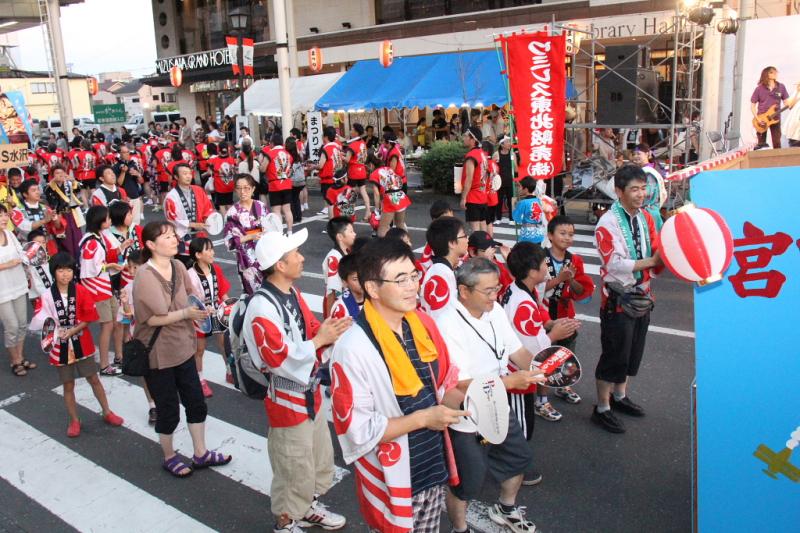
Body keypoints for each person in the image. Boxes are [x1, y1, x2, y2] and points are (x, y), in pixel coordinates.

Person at [329, 237, 465, 532]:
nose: (412, 286)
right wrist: (423, 418)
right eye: (400, 279)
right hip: (393, 481)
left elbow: (442, 386)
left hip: (431, 466)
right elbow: (357, 429)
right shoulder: (352, 348)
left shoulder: (422, 324)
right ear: (372, 288)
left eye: (414, 275)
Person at [244, 228, 350, 532]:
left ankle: (306, 508)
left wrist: (331, 331)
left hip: (310, 395)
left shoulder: (291, 292)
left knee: (316, 459)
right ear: (280, 264)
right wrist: (319, 341)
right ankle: (285, 520)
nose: (302, 258)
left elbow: (311, 326)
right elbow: (277, 358)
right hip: (287, 400)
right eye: (295, 255)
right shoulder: (262, 307)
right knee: (292, 466)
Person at [436, 257, 544, 533]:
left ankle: (506, 507)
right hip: (465, 412)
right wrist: (510, 381)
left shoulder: (494, 310)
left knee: (518, 458)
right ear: (463, 291)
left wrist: (542, 369)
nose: (495, 296)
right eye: (488, 291)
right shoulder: (446, 323)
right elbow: (461, 385)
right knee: (467, 482)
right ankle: (459, 528)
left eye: (497, 288)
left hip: (497, 402)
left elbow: (517, 352)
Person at [133, 220, 232, 477]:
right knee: (168, 410)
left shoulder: (178, 265)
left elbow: (191, 297)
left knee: (196, 402)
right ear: (151, 245)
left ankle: (201, 453)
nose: (174, 239)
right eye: (166, 236)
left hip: (184, 347)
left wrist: (202, 310)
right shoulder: (145, 275)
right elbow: (154, 318)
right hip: (158, 353)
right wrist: (188, 313)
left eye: (173, 235)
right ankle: (169, 455)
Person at [593, 165, 663, 434]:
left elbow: (655, 246)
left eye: (644, 188)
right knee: (614, 355)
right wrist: (653, 261)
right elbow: (615, 263)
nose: (641, 194)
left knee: (632, 352)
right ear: (619, 191)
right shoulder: (607, 223)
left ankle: (619, 397)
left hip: (642, 294)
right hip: (618, 298)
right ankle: (601, 408)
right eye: (634, 189)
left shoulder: (645, 217)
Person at [30, 252, 124, 437]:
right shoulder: (47, 296)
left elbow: (90, 316)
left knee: (94, 379)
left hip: (80, 341)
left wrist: (72, 330)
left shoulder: (80, 290)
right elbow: (42, 320)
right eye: (60, 270)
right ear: (54, 272)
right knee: (68, 385)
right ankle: (74, 419)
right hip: (60, 345)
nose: (65, 274)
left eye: (69, 270)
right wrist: (54, 331)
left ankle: (107, 411)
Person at [543, 215, 595, 400]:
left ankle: (563, 385)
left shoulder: (575, 261)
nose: (567, 238)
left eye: (571, 234)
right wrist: (560, 279)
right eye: (562, 233)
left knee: (566, 352)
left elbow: (581, 291)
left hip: (565, 312)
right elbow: (535, 288)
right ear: (550, 235)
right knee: (545, 353)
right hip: (544, 313)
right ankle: (542, 397)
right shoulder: (541, 257)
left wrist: (571, 279)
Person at [79, 206, 124, 376]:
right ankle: (104, 365)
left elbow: (102, 258)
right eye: (108, 218)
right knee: (107, 325)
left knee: (112, 322)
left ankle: (113, 359)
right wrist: (110, 265)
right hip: (97, 288)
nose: (110, 220)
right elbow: (91, 268)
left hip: (104, 286)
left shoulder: (98, 237)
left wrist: (120, 248)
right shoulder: (92, 241)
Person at [187, 236, 231, 398]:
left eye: (212, 248)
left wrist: (230, 306)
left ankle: (229, 371)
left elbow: (223, 292)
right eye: (209, 249)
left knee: (223, 344)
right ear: (198, 255)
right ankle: (200, 379)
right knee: (199, 349)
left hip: (217, 311)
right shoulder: (190, 275)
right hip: (200, 315)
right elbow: (189, 300)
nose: (213, 252)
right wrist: (201, 310)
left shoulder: (216, 269)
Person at [0, 205, 36, 377]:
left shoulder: (9, 234)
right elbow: (13, 260)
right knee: (11, 326)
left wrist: (26, 256)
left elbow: (21, 253)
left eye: (4, 215)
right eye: (0, 216)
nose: (4, 218)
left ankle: (20, 357)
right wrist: (9, 264)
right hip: (2, 290)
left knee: (22, 323)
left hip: (18, 283)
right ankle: (14, 360)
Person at [224, 173, 271, 296]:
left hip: (266, 255)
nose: (242, 191)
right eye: (239, 188)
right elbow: (230, 243)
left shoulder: (261, 206)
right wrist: (250, 236)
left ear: (253, 189)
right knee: (254, 295)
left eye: (246, 188)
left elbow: (270, 227)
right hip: (247, 260)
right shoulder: (232, 213)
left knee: (271, 292)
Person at [164, 163, 215, 263]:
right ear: (176, 177)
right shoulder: (171, 197)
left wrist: (208, 220)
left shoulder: (199, 190)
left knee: (203, 266)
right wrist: (193, 224)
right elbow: (172, 219)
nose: (188, 176)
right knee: (186, 269)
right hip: (183, 237)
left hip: (200, 235)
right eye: (184, 173)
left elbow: (207, 209)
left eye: (189, 173)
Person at [419, 216, 468, 319]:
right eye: (464, 236)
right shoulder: (441, 275)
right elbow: (441, 319)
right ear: (452, 243)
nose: (467, 240)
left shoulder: (441, 270)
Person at [750, 66, 799, 148]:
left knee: (777, 143)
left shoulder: (781, 87)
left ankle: (777, 160)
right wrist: (758, 119)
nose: (776, 73)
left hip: (775, 119)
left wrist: (797, 92)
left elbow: (788, 104)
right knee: (761, 144)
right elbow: (752, 106)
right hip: (761, 119)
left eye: (776, 72)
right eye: (772, 72)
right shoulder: (759, 89)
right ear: (767, 74)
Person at [44, 164, 83, 262]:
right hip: (61, 215)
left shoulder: (69, 184)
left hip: (73, 214)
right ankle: (69, 261)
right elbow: (53, 203)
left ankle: (79, 261)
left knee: (77, 237)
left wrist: (73, 180)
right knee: (67, 240)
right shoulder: (50, 187)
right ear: (52, 175)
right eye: (57, 173)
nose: (60, 175)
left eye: (62, 172)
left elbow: (78, 189)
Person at [368, 155, 410, 237]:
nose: (368, 169)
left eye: (368, 166)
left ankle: (385, 248)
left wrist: (377, 209)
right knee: (400, 224)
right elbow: (399, 181)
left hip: (390, 198)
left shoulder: (374, 174)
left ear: (371, 164)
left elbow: (376, 194)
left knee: (383, 227)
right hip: (401, 196)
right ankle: (406, 243)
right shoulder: (389, 169)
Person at [322, 216, 356, 318]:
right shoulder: (334, 258)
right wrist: (330, 319)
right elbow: (332, 292)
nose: (354, 234)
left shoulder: (348, 251)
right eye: (351, 232)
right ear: (340, 237)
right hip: (338, 306)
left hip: (347, 301)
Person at [262, 134, 294, 233]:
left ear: (272, 143)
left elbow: (263, 168)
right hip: (287, 184)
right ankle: (290, 231)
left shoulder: (270, 153)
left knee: (276, 211)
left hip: (275, 185)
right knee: (287, 210)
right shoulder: (288, 154)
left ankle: (279, 233)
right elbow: (290, 170)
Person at [10, 179, 57, 243]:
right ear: (25, 194)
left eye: (38, 189)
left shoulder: (45, 208)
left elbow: (57, 227)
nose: (38, 192)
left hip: (47, 244)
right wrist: (44, 220)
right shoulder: (16, 211)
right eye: (33, 190)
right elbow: (24, 227)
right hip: (28, 245)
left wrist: (56, 218)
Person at [461, 126, 489, 231]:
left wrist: (463, 198)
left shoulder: (471, 155)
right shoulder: (482, 154)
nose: (463, 138)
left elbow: (469, 179)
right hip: (483, 195)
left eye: (465, 136)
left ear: (472, 139)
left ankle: (479, 247)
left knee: (476, 230)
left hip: (473, 197)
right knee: (483, 227)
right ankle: (485, 247)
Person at [343, 123, 372, 220]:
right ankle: (368, 211)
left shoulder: (353, 144)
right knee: (363, 191)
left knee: (350, 192)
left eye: (352, 129)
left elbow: (347, 159)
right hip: (362, 170)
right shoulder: (363, 143)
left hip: (354, 171)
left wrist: (340, 155)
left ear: (356, 132)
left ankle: (350, 215)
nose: (351, 131)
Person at [418, 200, 454, 272]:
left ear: (452, 213)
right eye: (443, 219)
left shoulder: (457, 230)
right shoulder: (434, 238)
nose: (447, 221)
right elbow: (425, 262)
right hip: (439, 269)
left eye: (447, 216)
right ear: (435, 221)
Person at [114, 144, 146, 225]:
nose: (127, 154)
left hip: (135, 196)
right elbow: (118, 183)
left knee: (136, 223)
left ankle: (135, 238)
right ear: (119, 154)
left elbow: (141, 181)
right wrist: (123, 172)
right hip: (124, 198)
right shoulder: (116, 166)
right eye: (124, 152)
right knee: (125, 223)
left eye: (128, 152)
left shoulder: (132, 164)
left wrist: (138, 175)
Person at [328, 252, 364, 319]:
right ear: (345, 282)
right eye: (355, 279)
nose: (361, 281)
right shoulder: (341, 308)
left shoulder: (373, 299)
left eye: (363, 276)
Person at [512, 176, 547, 245]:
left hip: (527, 235)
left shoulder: (523, 203)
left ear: (526, 189)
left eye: (520, 187)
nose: (519, 189)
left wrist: (514, 205)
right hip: (539, 233)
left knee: (527, 254)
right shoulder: (539, 201)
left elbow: (516, 218)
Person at [315, 126, 343, 209]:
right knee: (338, 202)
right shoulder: (337, 146)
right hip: (338, 177)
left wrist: (313, 167)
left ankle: (333, 220)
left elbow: (320, 165)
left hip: (328, 179)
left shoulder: (326, 148)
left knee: (330, 204)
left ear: (326, 137)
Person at [495, 136, 515, 223]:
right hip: (499, 181)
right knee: (498, 200)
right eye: (507, 142)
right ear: (502, 144)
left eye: (510, 142)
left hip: (510, 180)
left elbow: (516, 169)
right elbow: (492, 167)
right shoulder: (496, 154)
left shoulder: (512, 154)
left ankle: (512, 218)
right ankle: (498, 218)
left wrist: (514, 161)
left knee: (511, 200)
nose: (509, 144)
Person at [286, 137, 306, 223]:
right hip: (301, 181)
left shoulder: (288, 156)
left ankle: (293, 216)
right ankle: (299, 216)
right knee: (296, 198)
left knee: (291, 199)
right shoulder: (299, 156)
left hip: (292, 181)